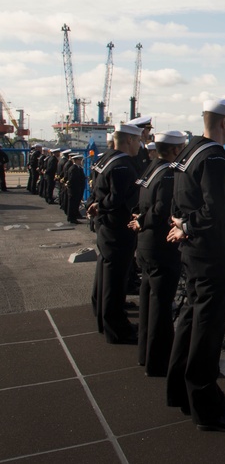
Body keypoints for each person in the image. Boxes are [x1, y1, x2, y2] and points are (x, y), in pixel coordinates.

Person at [166, 98, 225, 433]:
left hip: (191, 253)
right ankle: (207, 407)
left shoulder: (189, 152)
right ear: (224, 123)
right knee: (208, 331)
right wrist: (189, 226)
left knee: (189, 321)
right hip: (210, 254)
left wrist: (182, 225)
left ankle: (181, 391)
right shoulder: (215, 157)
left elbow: (178, 201)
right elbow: (216, 209)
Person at [129, 131, 186, 377]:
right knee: (161, 307)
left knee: (147, 300)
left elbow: (140, 202)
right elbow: (162, 208)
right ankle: (159, 362)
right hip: (161, 247)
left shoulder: (149, 170)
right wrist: (144, 221)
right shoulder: (169, 174)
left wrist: (139, 219)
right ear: (175, 150)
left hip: (144, 246)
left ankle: (145, 354)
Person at [87, 124, 141, 344]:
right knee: (115, 281)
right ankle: (117, 329)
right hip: (118, 228)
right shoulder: (123, 165)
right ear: (129, 140)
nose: (139, 145)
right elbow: (117, 199)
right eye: (138, 141)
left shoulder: (105, 159)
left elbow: (96, 190)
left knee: (105, 273)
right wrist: (101, 206)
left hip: (104, 227)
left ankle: (103, 318)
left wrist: (95, 204)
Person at [66, 154, 86, 223]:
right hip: (74, 190)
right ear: (76, 160)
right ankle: (72, 218)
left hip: (77, 189)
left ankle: (76, 215)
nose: (81, 161)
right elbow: (73, 180)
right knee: (72, 205)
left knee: (75, 204)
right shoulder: (74, 168)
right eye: (79, 160)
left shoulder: (78, 168)